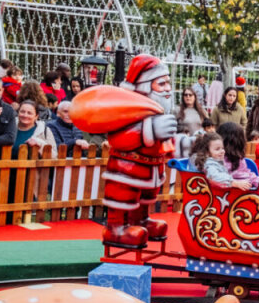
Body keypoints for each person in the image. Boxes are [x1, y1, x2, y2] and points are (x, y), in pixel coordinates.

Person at [70, 53, 179, 248]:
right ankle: (116, 228)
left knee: (146, 197)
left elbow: (166, 142)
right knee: (124, 195)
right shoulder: (126, 111)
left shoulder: (160, 111)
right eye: (161, 84)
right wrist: (151, 130)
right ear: (145, 86)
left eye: (168, 83)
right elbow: (119, 138)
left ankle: (141, 221)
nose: (168, 89)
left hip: (151, 165)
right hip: (127, 166)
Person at [217, 121, 259, 190]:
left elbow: (246, 173)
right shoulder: (217, 160)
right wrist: (234, 183)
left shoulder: (238, 159)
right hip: (231, 194)